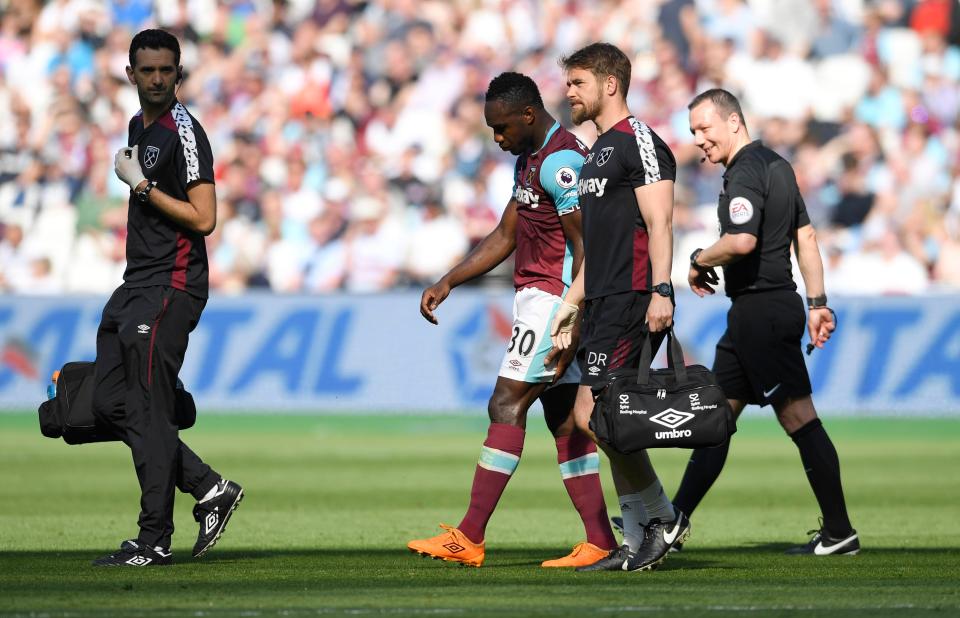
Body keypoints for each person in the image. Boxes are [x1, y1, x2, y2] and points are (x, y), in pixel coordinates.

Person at [406, 72, 618, 568]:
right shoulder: (532, 158)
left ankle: (470, 535)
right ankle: (601, 540)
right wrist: (450, 280)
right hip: (545, 300)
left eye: (502, 128)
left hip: (555, 301)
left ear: (528, 114)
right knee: (566, 421)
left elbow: (587, 244)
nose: (497, 139)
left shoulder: (562, 161)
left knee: (505, 403)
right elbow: (506, 233)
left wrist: (575, 313)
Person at [678, 87, 858, 555]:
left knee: (799, 418)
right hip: (762, 312)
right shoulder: (778, 166)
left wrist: (698, 258)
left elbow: (740, 242)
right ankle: (672, 523)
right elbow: (807, 237)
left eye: (704, 128)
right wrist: (818, 303)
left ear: (734, 121)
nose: (699, 139)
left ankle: (840, 532)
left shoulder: (745, 173)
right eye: (694, 131)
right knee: (715, 419)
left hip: (762, 311)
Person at [89, 29, 243, 567]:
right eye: (147, 70)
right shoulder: (139, 125)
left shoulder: (185, 131)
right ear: (130, 74)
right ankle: (208, 486)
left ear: (179, 74)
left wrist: (142, 187)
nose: (157, 79)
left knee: (148, 407)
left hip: (170, 288)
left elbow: (205, 218)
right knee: (108, 403)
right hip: (136, 286)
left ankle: (152, 540)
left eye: (166, 70)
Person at [551, 42, 690, 572]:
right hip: (603, 300)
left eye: (577, 83)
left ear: (610, 84)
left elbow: (660, 222)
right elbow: (602, 246)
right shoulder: (596, 154)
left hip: (635, 296)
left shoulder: (641, 143)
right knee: (597, 417)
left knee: (597, 415)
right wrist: (571, 303)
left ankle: (661, 516)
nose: (569, 93)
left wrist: (662, 290)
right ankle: (638, 535)